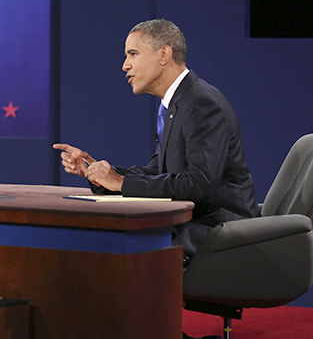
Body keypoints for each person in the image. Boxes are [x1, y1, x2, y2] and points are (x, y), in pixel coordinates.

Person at [54, 19, 260, 264]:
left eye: (133, 54)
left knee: (111, 251)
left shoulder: (201, 103)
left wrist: (120, 182)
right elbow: (157, 172)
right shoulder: (175, 104)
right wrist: (99, 173)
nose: (124, 65)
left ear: (164, 54)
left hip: (219, 229)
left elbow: (199, 184)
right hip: (196, 221)